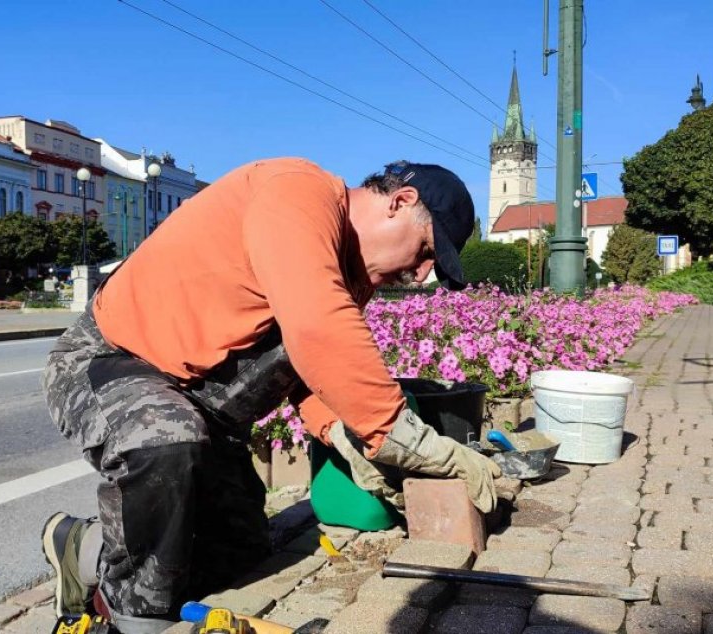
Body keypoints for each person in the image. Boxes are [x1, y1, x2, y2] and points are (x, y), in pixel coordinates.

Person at [40, 158, 504, 633]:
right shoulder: (298, 192)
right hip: (109, 361)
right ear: (400, 203)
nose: (422, 273)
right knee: (163, 443)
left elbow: (309, 372)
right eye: (426, 250)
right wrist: (410, 441)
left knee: (240, 551)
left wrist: (350, 439)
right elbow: (319, 328)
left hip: (199, 408)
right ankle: (129, 619)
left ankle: (86, 546)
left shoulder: (348, 271)